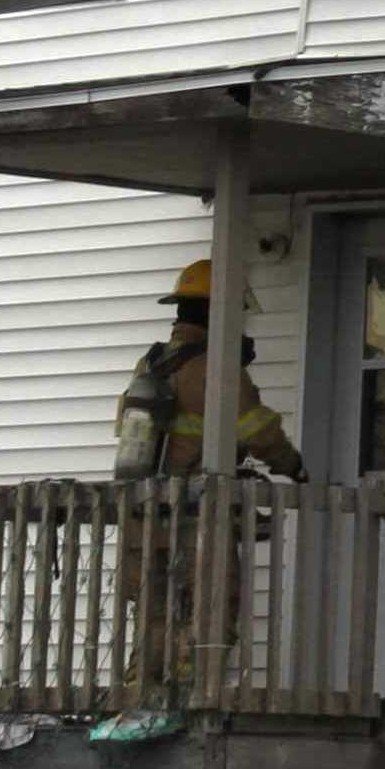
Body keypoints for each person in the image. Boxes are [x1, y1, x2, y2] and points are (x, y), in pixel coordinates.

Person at [111, 258, 300, 701]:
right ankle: (189, 699)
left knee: (154, 613)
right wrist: (294, 466)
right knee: (210, 611)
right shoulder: (214, 367)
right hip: (194, 516)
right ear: (221, 312)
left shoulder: (152, 362)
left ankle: (141, 696)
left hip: (143, 511)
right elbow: (257, 430)